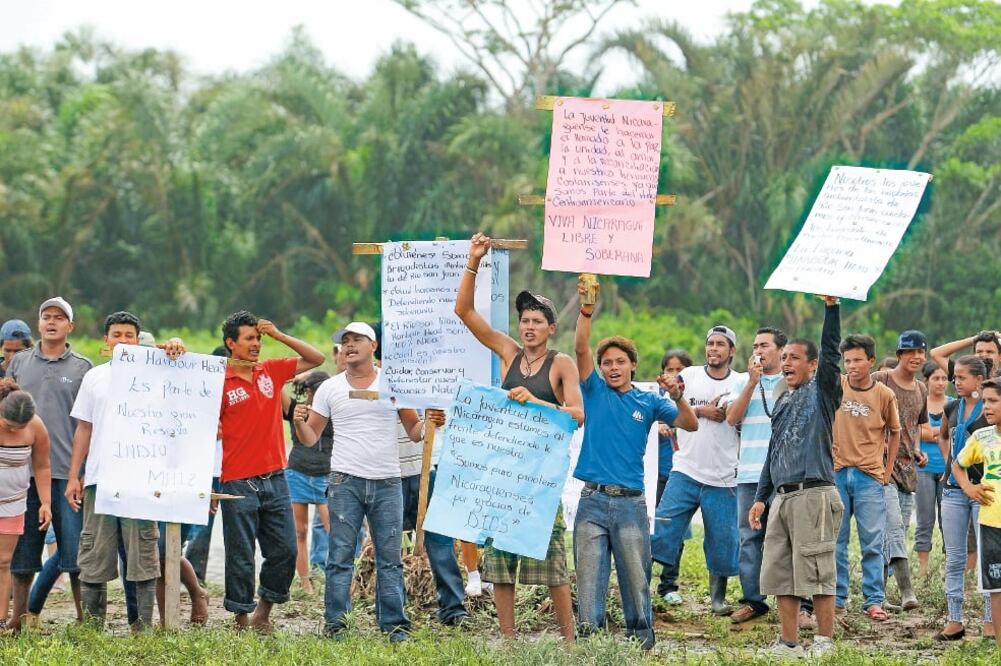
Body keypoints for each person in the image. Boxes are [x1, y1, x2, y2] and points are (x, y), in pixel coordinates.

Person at [454, 233, 584, 642]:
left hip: (540, 476)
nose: (529, 327)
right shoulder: (508, 353)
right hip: (503, 474)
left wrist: (535, 403)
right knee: (499, 563)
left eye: (536, 321)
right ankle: (508, 640)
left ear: (551, 327)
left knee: (553, 564)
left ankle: (568, 642)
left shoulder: (560, 363)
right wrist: (474, 260)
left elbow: (577, 416)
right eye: (524, 320)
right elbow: (464, 312)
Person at [294, 322, 452, 640]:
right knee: (339, 557)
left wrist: (430, 423)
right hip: (344, 481)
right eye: (345, 341)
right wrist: (299, 423)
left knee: (389, 558)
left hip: (387, 482)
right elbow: (310, 438)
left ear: (374, 346)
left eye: (357, 340)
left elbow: (414, 431)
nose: (350, 345)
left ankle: (394, 625)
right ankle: (336, 624)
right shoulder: (330, 388)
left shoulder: (393, 385)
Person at [572, 276, 697, 649]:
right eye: (606, 362)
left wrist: (678, 396)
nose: (612, 368)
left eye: (620, 362)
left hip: (630, 504)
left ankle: (640, 643)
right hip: (591, 501)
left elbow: (689, 423)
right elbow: (580, 348)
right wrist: (586, 309)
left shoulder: (650, 402)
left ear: (632, 365)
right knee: (590, 579)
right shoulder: (592, 390)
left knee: (635, 578)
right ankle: (592, 646)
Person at [64, 312, 186, 630]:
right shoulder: (95, 377)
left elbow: (185, 377)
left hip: (142, 483)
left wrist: (176, 345)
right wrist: (75, 475)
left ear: (138, 339)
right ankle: (92, 627)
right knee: (93, 555)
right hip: (99, 482)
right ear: (106, 341)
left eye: (129, 335)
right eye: (116, 334)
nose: (122, 340)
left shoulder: (159, 374)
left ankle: (141, 628)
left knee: (143, 556)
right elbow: (84, 430)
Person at [216, 310, 324, 631]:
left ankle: (263, 613)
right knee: (240, 554)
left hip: (276, 477)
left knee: (286, 550)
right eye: (249, 338)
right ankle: (240, 618)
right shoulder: (218, 381)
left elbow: (315, 358)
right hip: (237, 481)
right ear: (230, 343)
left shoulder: (271, 371)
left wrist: (278, 335)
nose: (256, 344)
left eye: (259, 338)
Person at [749, 296, 843, 658]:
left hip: (814, 494)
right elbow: (773, 453)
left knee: (818, 571)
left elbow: (832, 353)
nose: (786, 362)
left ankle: (824, 643)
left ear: (813, 365)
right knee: (781, 574)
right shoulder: (782, 400)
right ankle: (789, 645)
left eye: (794, 357)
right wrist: (761, 497)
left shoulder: (822, 393)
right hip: (783, 499)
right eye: (783, 357)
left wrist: (831, 310)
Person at [8, 297, 92, 632]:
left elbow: (89, 424)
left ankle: (85, 617)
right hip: (22, 474)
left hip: (67, 474)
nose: (52, 321)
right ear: (39, 324)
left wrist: (81, 472)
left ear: (71, 326)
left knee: (76, 554)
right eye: (46, 316)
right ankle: (20, 616)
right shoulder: (19, 364)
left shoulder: (83, 368)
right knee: (22, 551)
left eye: (60, 317)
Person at [652, 325, 745, 616]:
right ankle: (647, 587)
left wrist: (730, 414)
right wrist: (702, 410)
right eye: (710, 343)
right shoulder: (689, 376)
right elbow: (668, 407)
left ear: (731, 351)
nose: (713, 349)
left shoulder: (742, 382)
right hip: (686, 469)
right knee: (663, 528)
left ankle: (717, 600)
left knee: (722, 539)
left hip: (724, 475)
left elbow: (744, 419)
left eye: (720, 344)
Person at [726, 326, 798, 625]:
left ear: (781, 351)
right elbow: (732, 417)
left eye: (764, 345)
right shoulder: (744, 382)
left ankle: (801, 603)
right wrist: (752, 384)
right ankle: (754, 601)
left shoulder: (794, 381)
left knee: (792, 537)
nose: (758, 349)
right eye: (755, 344)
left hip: (786, 474)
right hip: (750, 473)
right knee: (749, 538)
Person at [831, 334, 900, 621]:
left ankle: (874, 600)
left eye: (858, 360)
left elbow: (894, 432)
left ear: (871, 361)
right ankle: (836, 598)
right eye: (847, 360)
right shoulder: (838, 385)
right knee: (836, 541)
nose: (852, 365)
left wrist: (886, 472)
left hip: (870, 476)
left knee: (872, 541)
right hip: (836, 473)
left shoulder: (884, 394)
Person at [934, 355, 992, 641]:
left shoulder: (990, 409)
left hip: (984, 491)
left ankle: (990, 620)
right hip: (953, 491)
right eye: (954, 377)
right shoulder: (951, 406)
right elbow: (943, 436)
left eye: (962, 377)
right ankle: (954, 619)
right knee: (955, 557)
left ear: (979, 381)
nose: (956, 382)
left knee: (987, 556)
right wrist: (950, 463)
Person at [872, 330, 931, 611]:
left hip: (908, 469)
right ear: (899, 355)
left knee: (894, 532)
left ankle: (877, 597)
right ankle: (907, 592)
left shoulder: (921, 389)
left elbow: (914, 427)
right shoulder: (880, 380)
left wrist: (917, 449)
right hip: (881, 468)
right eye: (910, 352)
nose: (916, 357)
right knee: (894, 528)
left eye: (920, 352)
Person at [0, 382, 52, 631]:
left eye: (20, 427)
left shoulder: (36, 426)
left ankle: (5, 620)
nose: (15, 430)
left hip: (14, 503)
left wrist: (45, 502)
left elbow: (42, 466)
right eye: (9, 425)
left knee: (4, 561)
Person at [956, 378, 1001, 646]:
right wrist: (968, 488)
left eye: (993, 400)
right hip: (991, 522)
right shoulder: (981, 436)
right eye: (984, 401)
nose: (986, 407)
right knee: (997, 587)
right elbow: (958, 464)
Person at [282, 370, 332, 595]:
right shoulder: (296, 408)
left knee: (336, 530)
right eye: (320, 389)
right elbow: (274, 389)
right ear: (310, 390)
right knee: (299, 532)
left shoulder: (335, 410)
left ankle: (338, 580)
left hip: (326, 476)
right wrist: (295, 377)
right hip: (297, 473)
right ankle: (305, 584)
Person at [184, 345, 229, 584]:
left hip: (228, 465)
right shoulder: (200, 392)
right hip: (206, 465)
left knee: (210, 523)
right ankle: (191, 572)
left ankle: (195, 572)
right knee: (200, 522)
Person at [655, 349, 693, 604]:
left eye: (679, 369)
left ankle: (669, 584)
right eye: (669, 369)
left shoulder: (691, 399)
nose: (674, 374)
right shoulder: (653, 397)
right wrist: (655, 425)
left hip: (681, 473)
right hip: (655, 472)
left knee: (676, 533)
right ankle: (641, 580)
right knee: (649, 528)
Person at [915, 361, 950, 577]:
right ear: (926, 380)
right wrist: (940, 431)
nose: (940, 382)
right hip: (924, 467)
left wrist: (931, 431)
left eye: (944, 378)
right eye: (935, 378)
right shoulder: (919, 403)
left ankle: (951, 566)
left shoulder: (953, 403)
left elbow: (954, 432)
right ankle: (922, 570)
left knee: (948, 520)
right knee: (924, 519)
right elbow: (920, 433)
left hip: (948, 467)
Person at [932, 330, 1001, 379]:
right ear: (973, 355)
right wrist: (975, 339)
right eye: (979, 351)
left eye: (989, 352)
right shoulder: (964, 374)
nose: (983, 355)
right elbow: (936, 353)